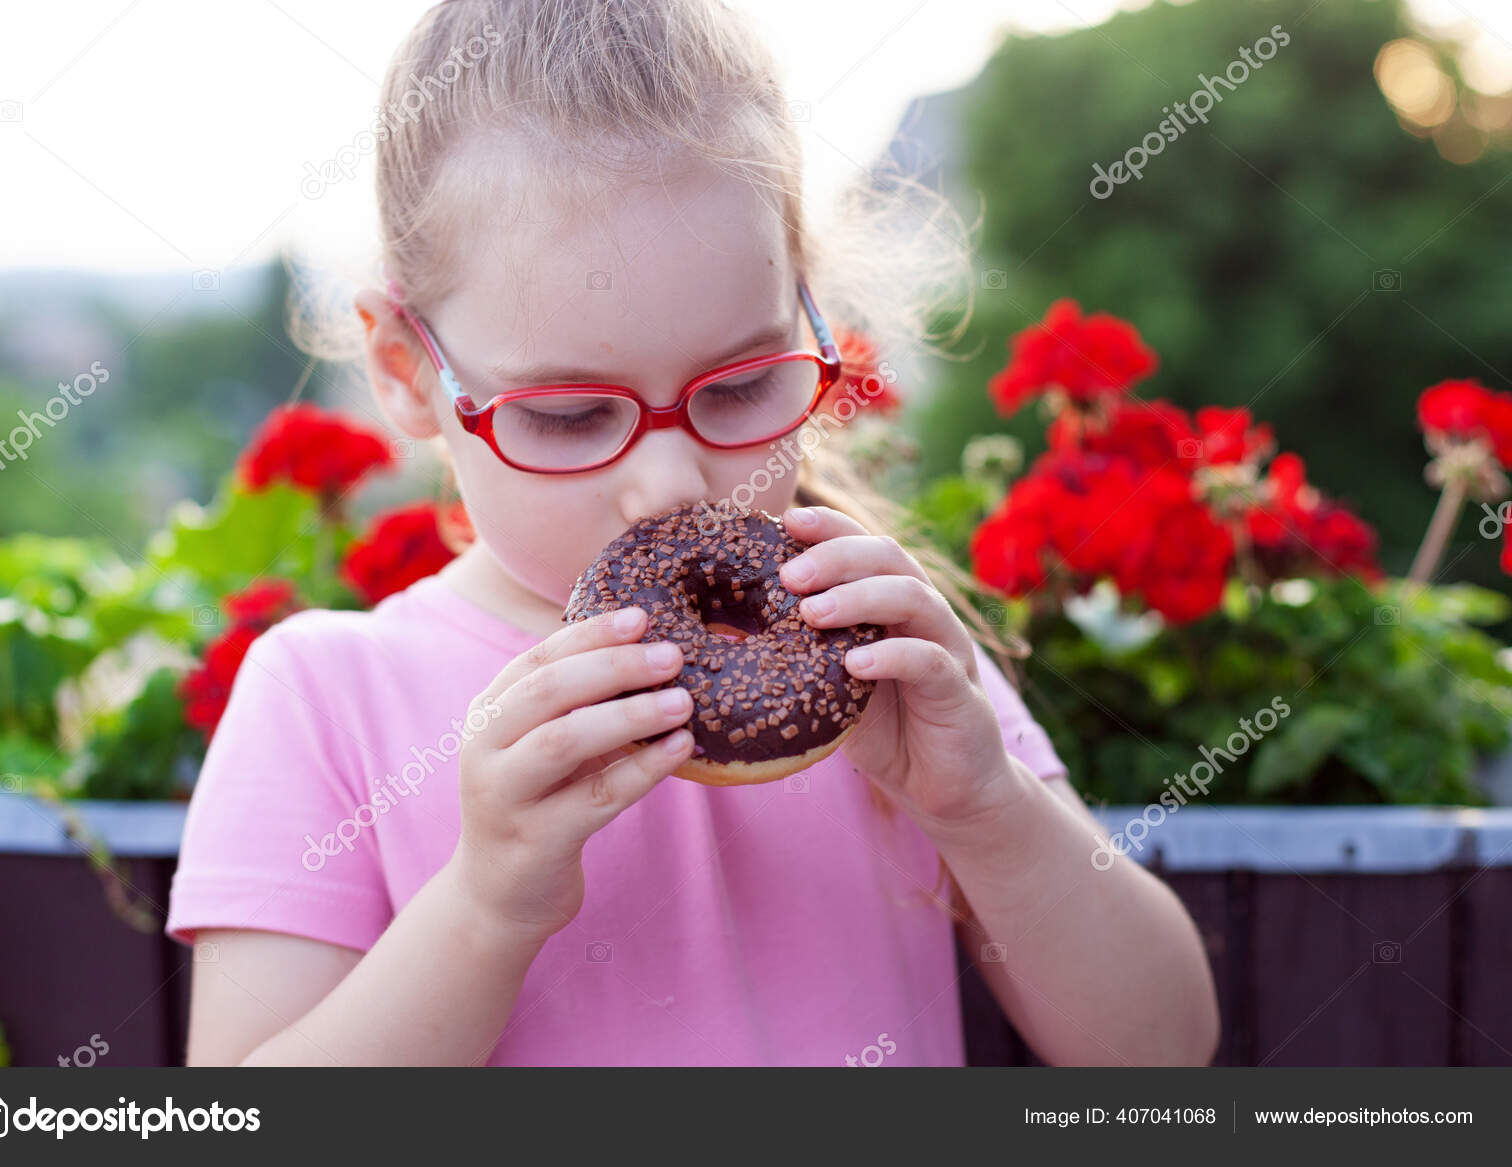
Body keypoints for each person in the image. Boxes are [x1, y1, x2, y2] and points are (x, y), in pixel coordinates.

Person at [166, 0, 1218, 1066]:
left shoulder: (877, 650)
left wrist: (986, 811)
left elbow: (1162, 1051)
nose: (669, 485)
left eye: (744, 384)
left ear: (812, 322)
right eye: (570, 414)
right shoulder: (328, 698)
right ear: (405, 373)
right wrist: (484, 910)